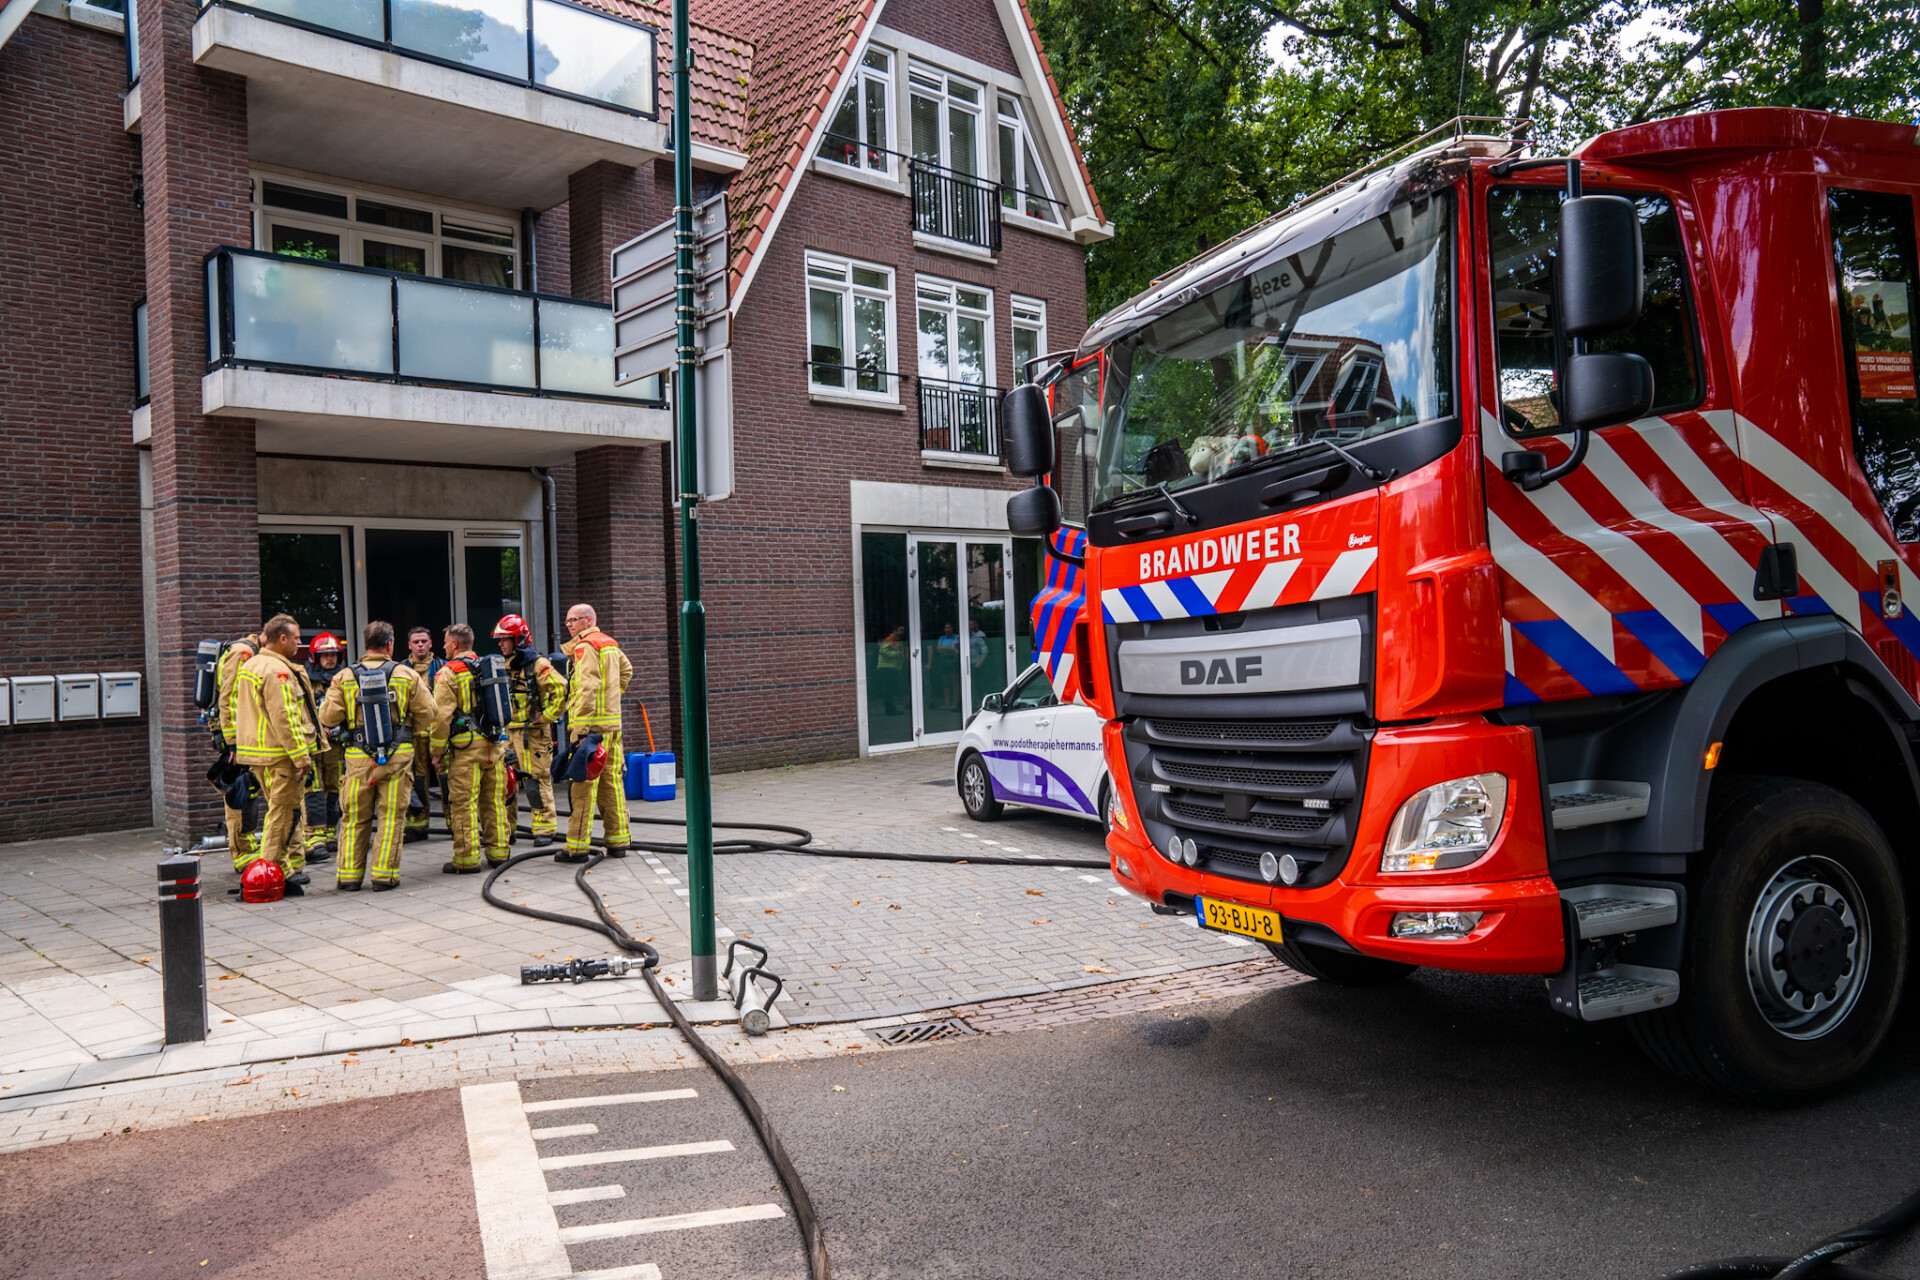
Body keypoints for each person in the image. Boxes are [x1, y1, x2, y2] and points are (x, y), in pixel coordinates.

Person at [318, 621, 434, 890]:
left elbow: (328, 716)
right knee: (392, 818)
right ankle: (384, 876)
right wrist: (407, 730)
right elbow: (428, 712)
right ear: (390, 645)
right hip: (398, 758)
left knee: (354, 818)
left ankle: (348, 877)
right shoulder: (406, 674)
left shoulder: (345, 676)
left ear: (366, 645)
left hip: (357, 759)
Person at [232, 614, 316, 896]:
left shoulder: (252, 663)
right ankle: (267, 874)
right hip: (281, 756)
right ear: (282, 639)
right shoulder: (276, 671)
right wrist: (301, 756)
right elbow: (286, 717)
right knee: (282, 815)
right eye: (296, 638)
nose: (299, 643)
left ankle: (281, 869)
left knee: (280, 812)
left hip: (260, 755)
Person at [431, 623, 510, 873]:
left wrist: (436, 751)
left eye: (445, 641)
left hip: (466, 751)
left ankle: (466, 860)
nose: (443, 646)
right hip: (494, 746)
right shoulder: (488, 667)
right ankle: (499, 853)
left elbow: (441, 717)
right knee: (494, 802)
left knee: (464, 803)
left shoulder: (449, 672)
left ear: (455, 644)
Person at [558, 603, 632, 864]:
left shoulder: (586, 647)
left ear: (588, 620)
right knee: (612, 786)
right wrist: (613, 698)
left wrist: (579, 730)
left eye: (573, 620)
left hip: (590, 731)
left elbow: (587, 689)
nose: (569, 625)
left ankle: (576, 848)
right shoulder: (609, 643)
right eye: (567, 621)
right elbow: (627, 671)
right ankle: (619, 842)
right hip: (612, 729)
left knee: (583, 789)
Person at [494, 614, 566, 847]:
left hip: (532, 735)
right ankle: (508, 829)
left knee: (536, 781)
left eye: (505, 639)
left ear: (519, 639)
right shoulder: (498, 666)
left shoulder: (538, 665)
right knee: (506, 781)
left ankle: (544, 829)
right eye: (500, 640)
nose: (500, 644)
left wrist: (545, 716)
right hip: (506, 734)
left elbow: (561, 690)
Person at [214, 624, 265, 873]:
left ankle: (246, 848)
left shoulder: (251, 650)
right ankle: (242, 853)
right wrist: (235, 742)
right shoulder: (244, 653)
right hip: (237, 740)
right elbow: (230, 698)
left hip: (242, 737)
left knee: (249, 791)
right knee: (240, 793)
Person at [301, 631, 346, 863]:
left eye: (333, 655)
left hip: (337, 745)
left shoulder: (345, 679)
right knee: (313, 789)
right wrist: (319, 728)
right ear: (315, 658)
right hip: (315, 744)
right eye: (324, 655)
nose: (330, 660)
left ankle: (329, 832)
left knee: (334, 787)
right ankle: (313, 837)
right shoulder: (306, 680)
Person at [403, 627, 443, 842]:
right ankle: (418, 826)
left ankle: (457, 824)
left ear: (430, 644)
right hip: (414, 736)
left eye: (424, 641)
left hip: (438, 733)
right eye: (416, 641)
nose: (420, 645)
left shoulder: (442, 666)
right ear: (409, 645)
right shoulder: (401, 669)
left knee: (446, 780)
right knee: (418, 781)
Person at [877, 625, 907, 715]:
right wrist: (897, 653)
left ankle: (891, 708)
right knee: (889, 690)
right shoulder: (890, 639)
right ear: (895, 631)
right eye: (900, 630)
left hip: (892, 667)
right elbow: (882, 651)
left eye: (903, 630)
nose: (902, 632)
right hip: (887, 668)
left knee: (890, 690)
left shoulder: (896, 640)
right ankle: (890, 710)